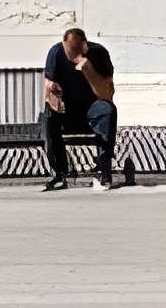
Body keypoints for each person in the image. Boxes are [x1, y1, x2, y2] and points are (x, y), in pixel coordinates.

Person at [40, 24, 124, 187]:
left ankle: (104, 172)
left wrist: (87, 68)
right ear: (63, 45)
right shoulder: (56, 53)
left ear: (85, 45)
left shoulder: (99, 53)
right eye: (69, 49)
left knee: (107, 109)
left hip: (93, 107)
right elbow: (48, 85)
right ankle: (59, 173)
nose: (72, 54)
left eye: (77, 49)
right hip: (67, 109)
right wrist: (53, 96)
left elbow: (107, 95)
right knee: (49, 115)